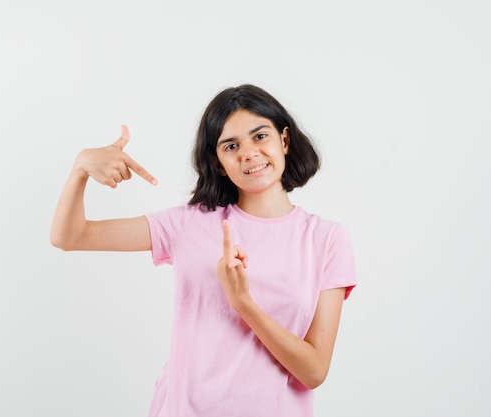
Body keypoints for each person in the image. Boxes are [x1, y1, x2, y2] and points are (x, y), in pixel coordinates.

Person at [50, 84, 357, 417]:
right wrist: (80, 168)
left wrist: (243, 304)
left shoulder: (326, 239)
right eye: (231, 145)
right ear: (219, 162)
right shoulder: (188, 224)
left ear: (284, 140)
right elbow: (70, 236)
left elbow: (314, 371)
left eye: (259, 136)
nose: (249, 153)